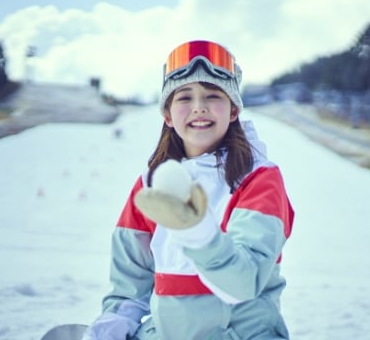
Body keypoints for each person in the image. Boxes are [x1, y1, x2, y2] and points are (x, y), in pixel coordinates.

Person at [83, 40, 295, 340]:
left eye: (213, 95)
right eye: (184, 97)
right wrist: (115, 324)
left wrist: (198, 232)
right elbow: (130, 285)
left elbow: (243, 284)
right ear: (167, 115)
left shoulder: (259, 179)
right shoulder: (150, 185)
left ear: (233, 110)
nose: (199, 106)